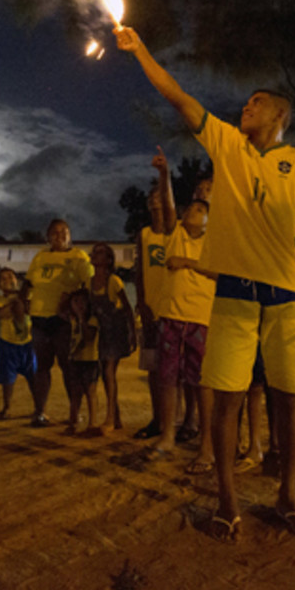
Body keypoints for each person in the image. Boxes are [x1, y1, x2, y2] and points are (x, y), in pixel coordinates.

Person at [117, 26, 295, 543]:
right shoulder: (227, 144)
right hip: (234, 294)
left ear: (280, 116)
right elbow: (178, 97)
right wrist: (140, 50)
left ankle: (289, 495)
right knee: (227, 397)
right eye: (246, 102)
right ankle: (227, 500)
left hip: (286, 295)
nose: (247, 107)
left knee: (292, 399)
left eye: (258, 103)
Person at [148, 199, 216, 473]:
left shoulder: (214, 240)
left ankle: (207, 444)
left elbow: (220, 273)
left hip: (200, 319)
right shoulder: (175, 233)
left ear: (209, 220)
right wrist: (164, 178)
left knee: (202, 384)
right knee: (167, 378)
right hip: (171, 316)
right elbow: (168, 206)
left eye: (200, 210)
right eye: (189, 208)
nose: (191, 211)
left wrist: (187, 262)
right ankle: (168, 435)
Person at [25, 219, 92, 427]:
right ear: (48, 236)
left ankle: (75, 413)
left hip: (63, 321)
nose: (59, 235)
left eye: (64, 231)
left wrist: (72, 300)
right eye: (54, 232)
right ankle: (40, 412)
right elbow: (28, 282)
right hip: (39, 318)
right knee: (41, 367)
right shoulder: (40, 256)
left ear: (70, 236)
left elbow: (89, 284)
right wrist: (23, 300)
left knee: (68, 367)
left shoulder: (78, 256)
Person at [132, 156, 177, 439]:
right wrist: (142, 303)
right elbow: (139, 272)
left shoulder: (177, 231)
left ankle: (179, 422)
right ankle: (157, 419)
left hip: (174, 310)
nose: (154, 201)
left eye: (159, 196)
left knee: (174, 372)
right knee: (152, 368)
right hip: (151, 310)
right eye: (151, 198)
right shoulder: (144, 234)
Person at [89, 242, 136, 430]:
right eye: (94, 252)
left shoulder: (114, 281)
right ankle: (116, 417)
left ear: (109, 260)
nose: (94, 255)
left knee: (109, 371)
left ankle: (109, 418)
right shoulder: (89, 282)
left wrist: (133, 333)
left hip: (116, 330)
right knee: (105, 374)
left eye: (100, 253)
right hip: (103, 332)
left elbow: (127, 308)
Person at [0, 267, 37, 420]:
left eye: (11, 277)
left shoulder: (28, 296)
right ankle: (7, 407)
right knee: (7, 380)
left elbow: (30, 310)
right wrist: (17, 301)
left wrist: (19, 300)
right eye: (3, 278)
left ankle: (38, 407)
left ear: (17, 280)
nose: (8, 280)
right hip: (8, 344)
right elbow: (0, 314)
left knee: (34, 378)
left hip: (28, 343)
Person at [66, 288, 102, 436]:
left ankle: (92, 423)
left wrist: (81, 319)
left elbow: (88, 337)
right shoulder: (72, 320)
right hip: (76, 360)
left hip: (90, 360)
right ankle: (73, 422)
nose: (79, 305)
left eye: (82, 301)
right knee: (75, 393)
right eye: (75, 301)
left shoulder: (92, 320)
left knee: (90, 392)